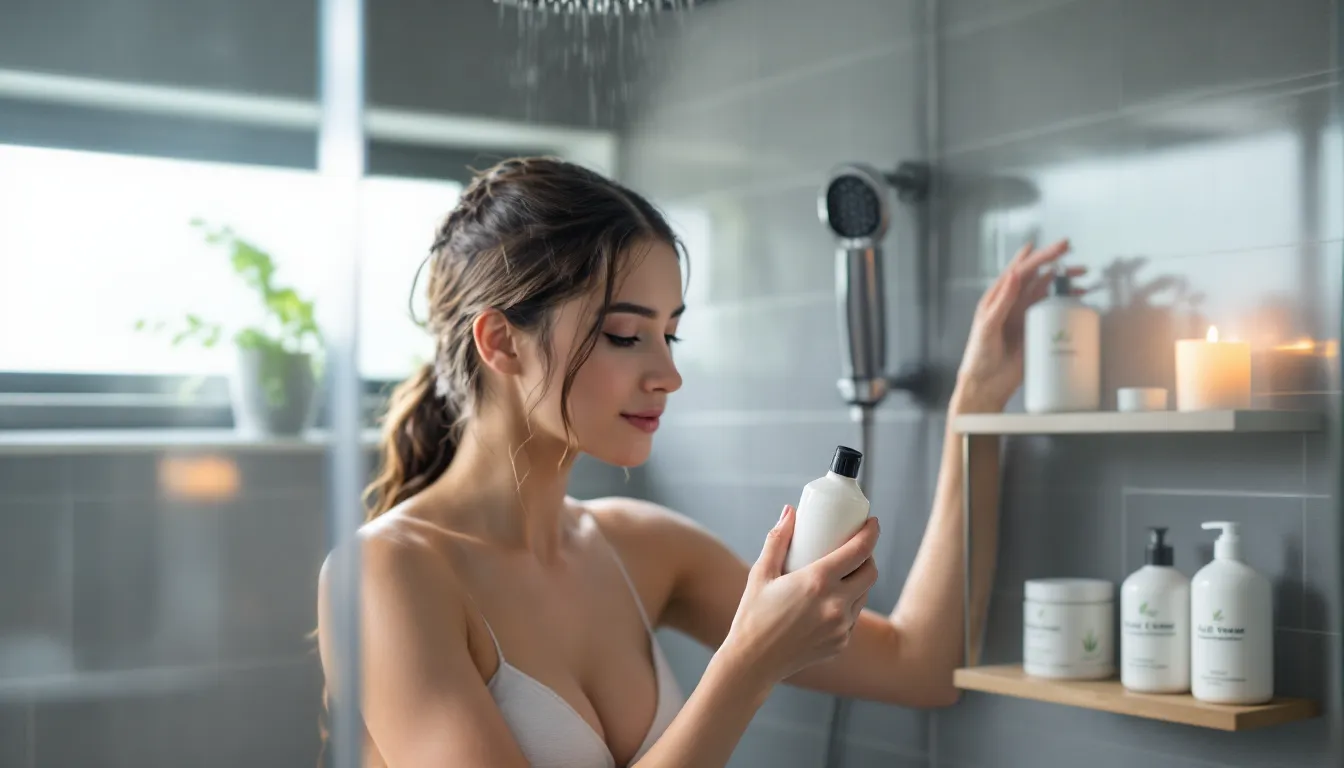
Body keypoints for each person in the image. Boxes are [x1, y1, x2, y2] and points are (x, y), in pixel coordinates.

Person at [316, 156, 1073, 767]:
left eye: (669, 334)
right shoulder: (388, 576)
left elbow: (922, 667)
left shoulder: (639, 547)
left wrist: (973, 410)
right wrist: (746, 667)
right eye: (623, 334)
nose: (667, 374)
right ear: (501, 341)